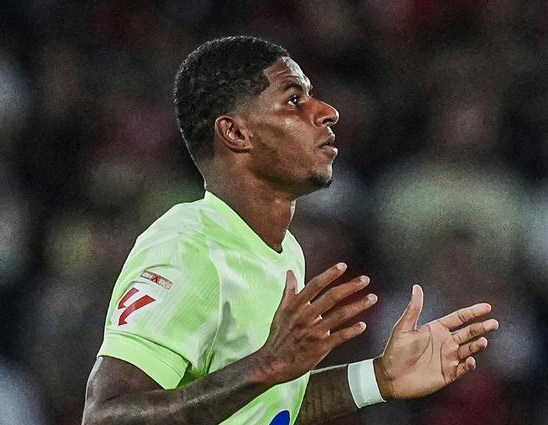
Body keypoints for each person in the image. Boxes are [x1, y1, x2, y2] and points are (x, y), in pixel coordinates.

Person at [81, 36, 499, 425]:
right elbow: (105, 416)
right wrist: (264, 365)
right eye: (294, 100)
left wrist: (377, 379)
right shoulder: (189, 248)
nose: (328, 112)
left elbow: (268, 407)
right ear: (236, 133)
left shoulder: (284, 250)